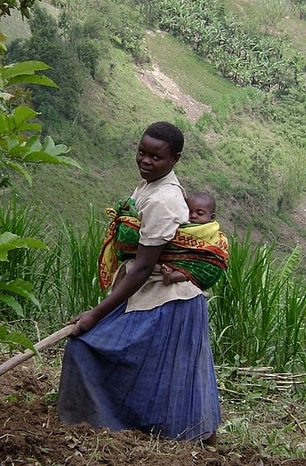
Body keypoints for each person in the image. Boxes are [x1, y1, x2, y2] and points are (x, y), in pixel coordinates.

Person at [57, 121, 222, 446]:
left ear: (175, 159)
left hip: (170, 301)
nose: (145, 161)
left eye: (156, 157)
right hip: (160, 294)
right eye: (142, 153)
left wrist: (95, 314)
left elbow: (144, 267)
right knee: (164, 371)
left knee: (89, 348)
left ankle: (123, 429)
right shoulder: (151, 188)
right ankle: (163, 432)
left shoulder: (163, 201)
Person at [161, 192, 218, 286]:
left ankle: (172, 277)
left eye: (200, 213)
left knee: (195, 270)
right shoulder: (180, 225)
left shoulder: (212, 231)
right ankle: (168, 270)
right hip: (175, 257)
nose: (193, 215)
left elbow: (218, 248)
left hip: (196, 263)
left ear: (211, 217)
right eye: (189, 212)